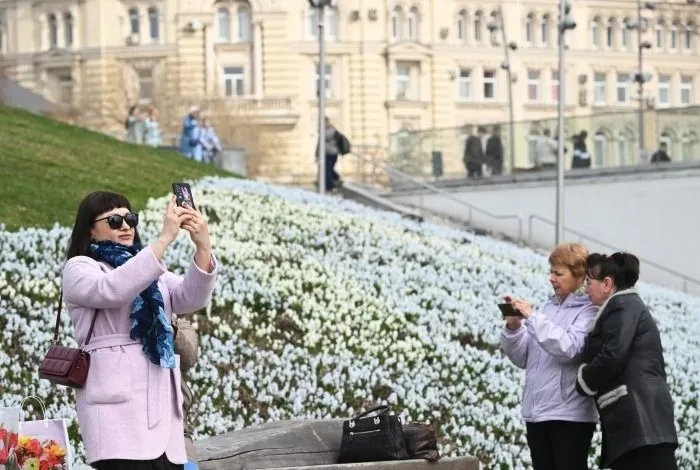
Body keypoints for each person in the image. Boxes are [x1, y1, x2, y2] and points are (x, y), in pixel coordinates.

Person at [62, 191, 217, 470]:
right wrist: (164, 239)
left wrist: (203, 247)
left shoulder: (150, 269)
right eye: (114, 220)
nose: (125, 226)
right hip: (116, 415)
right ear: (89, 229)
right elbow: (113, 290)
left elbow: (190, 297)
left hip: (161, 413)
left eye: (130, 219)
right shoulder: (81, 267)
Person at [500, 243, 598, 470]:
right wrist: (514, 328)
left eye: (558, 273)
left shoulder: (589, 311)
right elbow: (524, 357)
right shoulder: (548, 307)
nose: (551, 279)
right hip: (538, 411)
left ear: (579, 276)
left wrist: (532, 317)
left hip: (569, 415)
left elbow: (570, 348)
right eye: (550, 272)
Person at [577, 252, 678, 470]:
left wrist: (584, 379)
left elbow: (613, 354)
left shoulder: (621, 304)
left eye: (589, 282)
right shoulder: (626, 304)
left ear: (607, 283)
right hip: (644, 424)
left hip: (639, 422)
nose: (586, 289)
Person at [315, 117, 351, 191]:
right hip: (327, 153)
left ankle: (330, 185)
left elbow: (322, 141)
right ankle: (335, 180)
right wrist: (317, 154)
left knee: (327, 169)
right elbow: (319, 145)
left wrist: (321, 131)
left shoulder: (330, 130)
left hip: (330, 153)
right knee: (328, 169)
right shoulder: (327, 131)